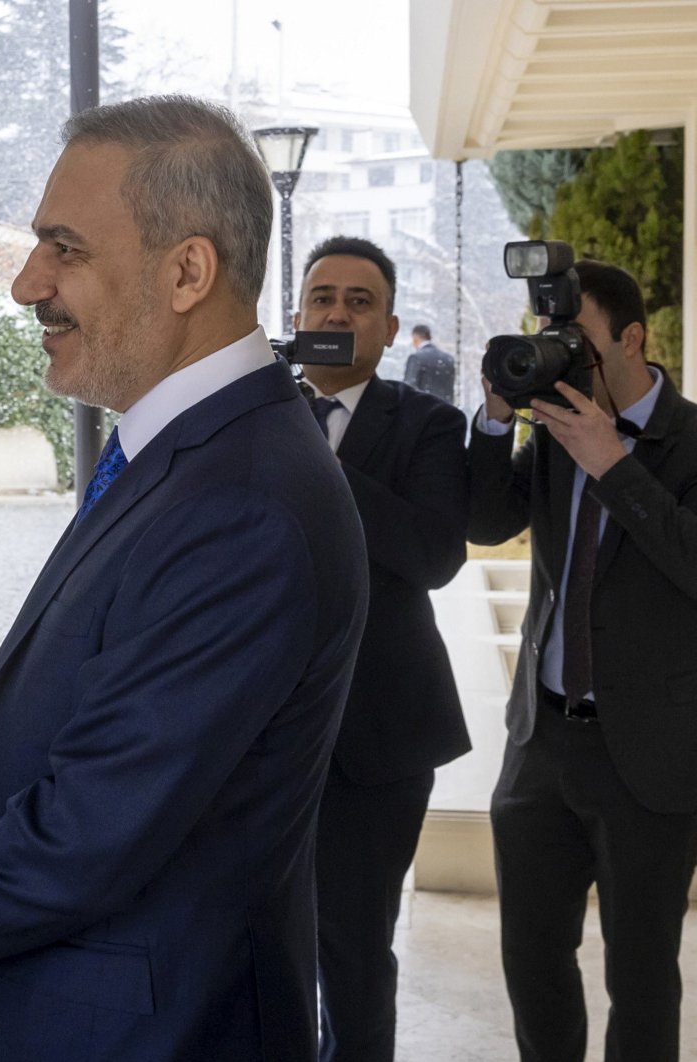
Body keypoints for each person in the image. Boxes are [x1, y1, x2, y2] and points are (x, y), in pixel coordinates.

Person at [0, 95, 369, 1061]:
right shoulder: (190, 455)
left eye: (65, 248)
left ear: (188, 270)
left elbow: (93, 834)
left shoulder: (245, 506)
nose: (25, 284)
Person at [469, 259, 697, 1062]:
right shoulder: (559, 428)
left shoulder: (693, 438)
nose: (561, 354)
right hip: (540, 746)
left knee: (640, 977)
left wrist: (616, 465)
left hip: (650, 757)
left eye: (579, 340)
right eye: (549, 338)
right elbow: (485, 521)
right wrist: (496, 421)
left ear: (632, 338)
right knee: (531, 964)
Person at [296, 236, 471, 1062]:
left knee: (356, 955)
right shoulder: (251, 418)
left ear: (391, 326)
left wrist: (311, 457)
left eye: (358, 302)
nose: (337, 312)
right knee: (251, 943)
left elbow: (434, 554)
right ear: (297, 318)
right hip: (253, 735)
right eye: (321, 298)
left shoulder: (429, 426)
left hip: (381, 740)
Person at [402, 323, 456, 404]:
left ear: (415, 338)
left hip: (423, 410)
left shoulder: (416, 358)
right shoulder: (448, 359)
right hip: (446, 410)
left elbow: (409, 388)